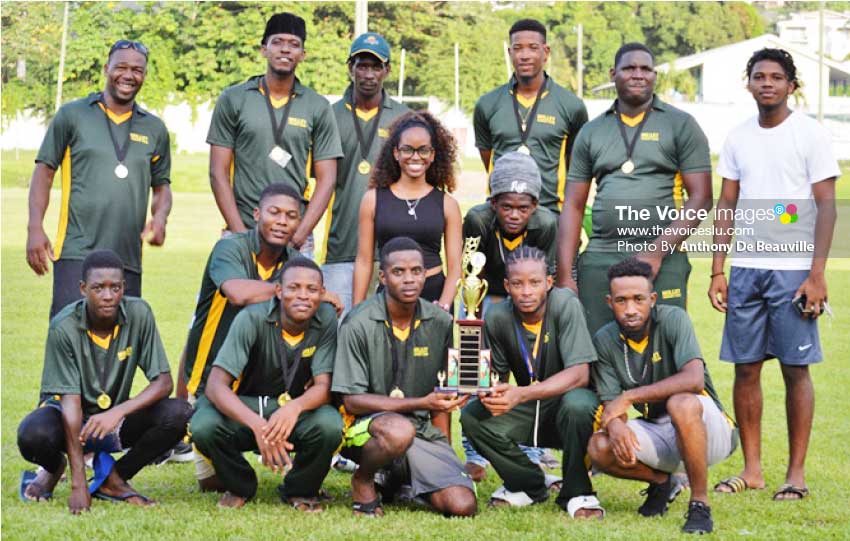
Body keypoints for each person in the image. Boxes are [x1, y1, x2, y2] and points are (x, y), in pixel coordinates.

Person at [708, 48, 839, 502]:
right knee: (745, 369)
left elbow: (826, 206)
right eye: (759, 76)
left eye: (777, 77)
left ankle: (796, 474)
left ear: (791, 85)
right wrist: (718, 269)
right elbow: (726, 205)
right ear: (748, 84)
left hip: (794, 273)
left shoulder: (810, 135)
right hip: (746, 269)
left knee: (795, 369)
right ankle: (753, 470)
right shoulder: (738, 137)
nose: (767, 83)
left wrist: (816, 274)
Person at [17, 250, 192, 513]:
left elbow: (163, 382)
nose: (108, 296)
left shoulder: (139, 314)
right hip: (68, 417)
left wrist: (117, 412)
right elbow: (71, 403)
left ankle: (114, 479)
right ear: (83, 289)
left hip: (113, 421)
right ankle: (54, 469)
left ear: (124, 287)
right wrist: (78, 484)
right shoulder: (63, 327)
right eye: (98, 288)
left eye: (115, 287)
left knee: (179, 414)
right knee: (32, 434)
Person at [557, 42, 712, 335]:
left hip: (662, 256)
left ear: (654, 75)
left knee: (664, 346)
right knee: (597, 348)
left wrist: (656, 253)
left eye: (646, 69)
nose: (638, 74)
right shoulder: (592, 131)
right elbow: (573, 205)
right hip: (602, 253)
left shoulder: (681, 125)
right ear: (613, 73)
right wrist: (566, 274)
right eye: (629, 68)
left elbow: (702, 198)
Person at [588, 258, 737, 534]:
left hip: (708, 429)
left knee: (680, 402)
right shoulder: (605, 340)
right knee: (599, 446)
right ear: (610, 302)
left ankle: (700, 504)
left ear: (653, 299)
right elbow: (612, 401)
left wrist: (630, 396)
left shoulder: (672, 319)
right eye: (621, 301)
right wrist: (616, 424)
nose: (630, 309)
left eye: (638, 299)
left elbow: (693, 379)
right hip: (659, 432)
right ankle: (660, 482)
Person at [26, 39, 172, 318]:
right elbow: (44, 172)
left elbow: (162, 186)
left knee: (119, 349)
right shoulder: (73, 115)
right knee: (69, 341)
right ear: (107, 69)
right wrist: (34, 226)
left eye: (138, 70)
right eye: (121, 67)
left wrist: (161, 217)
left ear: (145, 75)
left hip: (127, 259)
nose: (129, 75)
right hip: (76, 252)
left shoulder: (155, 128)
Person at [333, 237, 477, 517]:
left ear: (426, 274)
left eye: (416, 271)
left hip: (419, 430)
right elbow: (352, 402)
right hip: (365, 429)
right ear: (383, 276)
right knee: (398, 431)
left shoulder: (441, 322)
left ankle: (398, 479)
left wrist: (443, 450)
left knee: (462, 505)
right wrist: (421, 401)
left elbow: (443, 396)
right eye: (399, 272)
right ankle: (363, 479)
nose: (409, 279)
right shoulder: (358, 322)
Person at [190, 257, 342, 510]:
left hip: (290, 408)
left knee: (329, 425)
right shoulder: (251, 318)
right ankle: (240, 485)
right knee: (203, 424)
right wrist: (258, 426)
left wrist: (294, 409)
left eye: (312, 289)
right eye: (294, 288)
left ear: (323, 294)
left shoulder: (325, 317)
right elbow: (216, 386)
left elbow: (324, 385)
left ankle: (301, 489)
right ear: (279, 291)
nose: (303, 296)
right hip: (246, 407)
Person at [460, 247, 603, 518]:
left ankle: (576, 491)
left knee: (578, 404)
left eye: (534, 283)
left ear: (548, 283)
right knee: (473, 417)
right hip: (530, 406)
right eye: (517, 284)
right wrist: (485, 389)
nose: (526, 291)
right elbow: (497, 378)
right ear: (506, 286)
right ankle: (529, 485)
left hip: (569, 406)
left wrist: (520, 394)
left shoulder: (565, 304)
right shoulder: (497, 316)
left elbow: (580, 374)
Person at [207, 12, 342, 254]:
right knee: (229, 292)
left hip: (294, 235)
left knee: (298, 293)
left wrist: (299, 235)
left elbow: (327, 179)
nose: (285, 50)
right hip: (243, 230)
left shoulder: (317, 105)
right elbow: (218, 171)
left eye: (294, 44)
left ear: (303, 54)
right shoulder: (234, 98)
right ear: (263, 49)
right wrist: (239, 234)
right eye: (277, 42)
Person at [459, 152, 559, 479]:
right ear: (492, 203)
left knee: (531, 372)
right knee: (473, 370)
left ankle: (531, 448)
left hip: (528, 298)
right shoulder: (476, 219)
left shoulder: (545, 224)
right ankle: (475, 452)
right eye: (506, 207)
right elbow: (470, 274)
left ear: (535, 206)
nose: (514, 215)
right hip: (485, 296)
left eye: (523, 208)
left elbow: (547, 276)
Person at [322, 32, 409, 316]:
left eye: (376, 66)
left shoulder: (404, 118)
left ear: (388, 70)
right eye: (362, 65)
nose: (368, 74)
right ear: (350, 67)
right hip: (341, 247)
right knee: (341, 331)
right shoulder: (329, 115)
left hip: (391, 248)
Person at [473, 18, 587, 214]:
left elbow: (575, 165)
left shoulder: (571, 105)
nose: (525, 55)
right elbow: (488, 157)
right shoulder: (487, 103)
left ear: (546, 52)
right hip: (500, 212)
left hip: (551, 212)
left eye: (533, 48)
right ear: (510, 53)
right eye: (518, 48)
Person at [352, 112, 462, 310]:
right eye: (408, 150)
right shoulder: (373, 199)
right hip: (389, 296)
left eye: (423, 150)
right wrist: (357, 309)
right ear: (396, 153)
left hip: (433, 296)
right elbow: (364, 260)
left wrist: (444, 305)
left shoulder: (448, 204)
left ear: (433, 154)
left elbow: (455, 268)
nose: (415, 157)